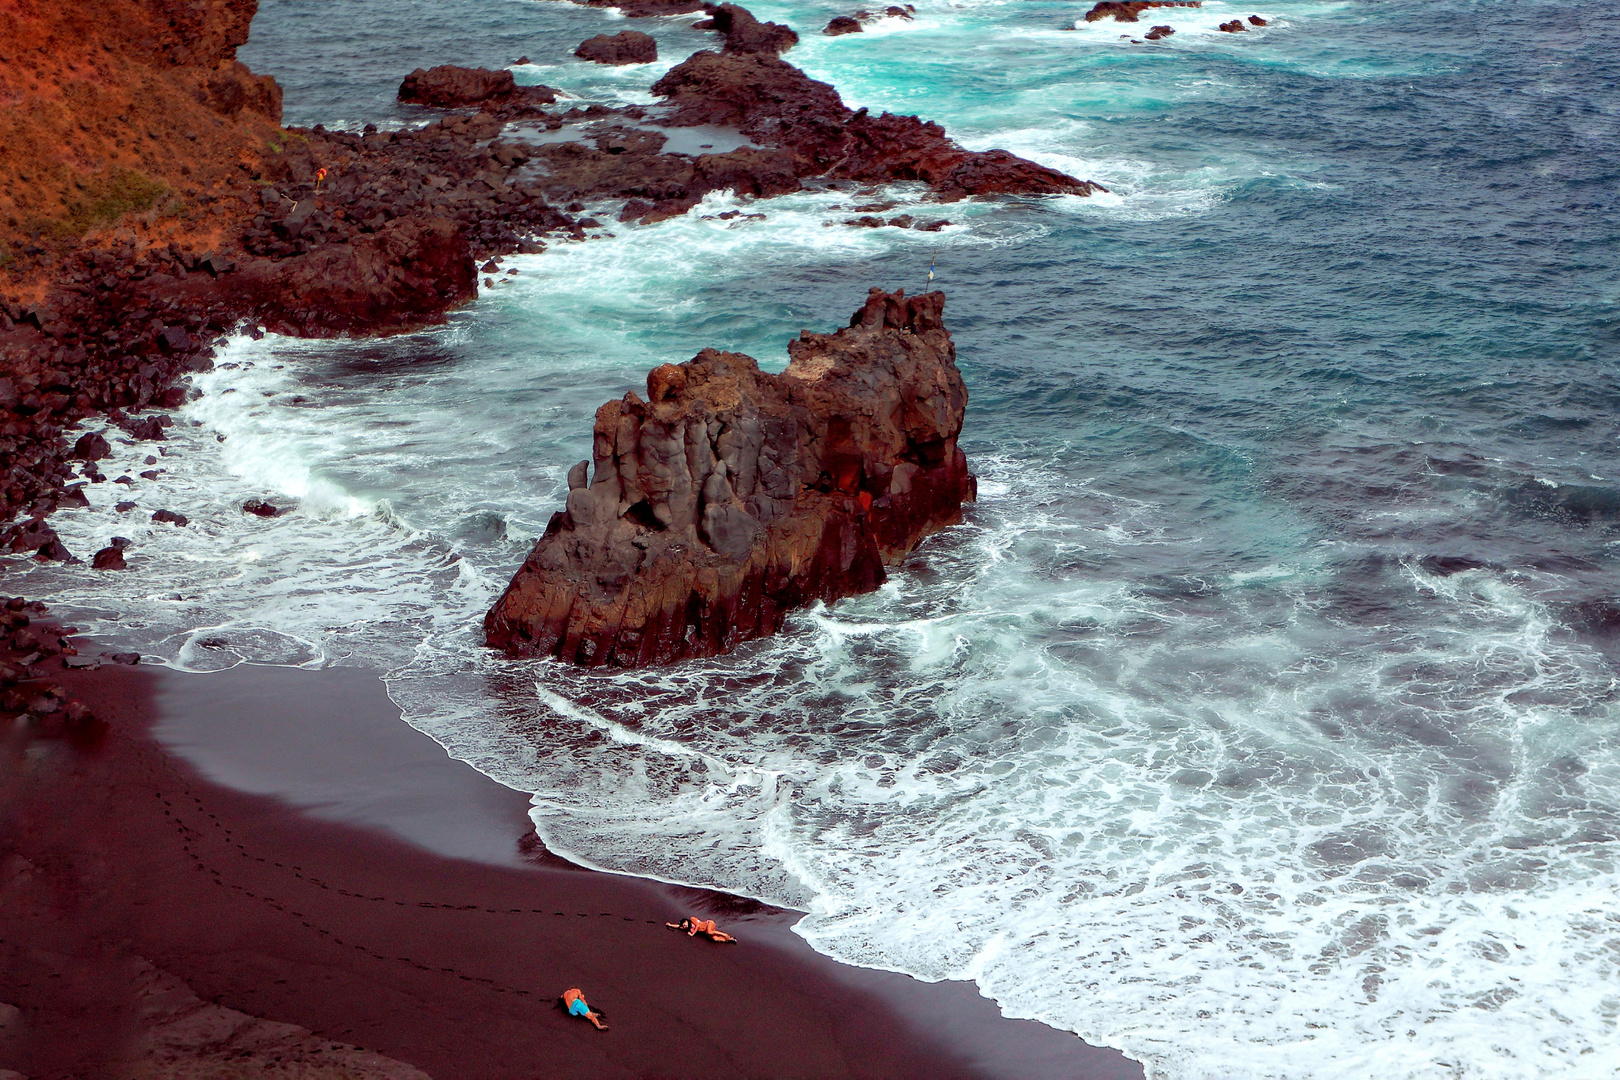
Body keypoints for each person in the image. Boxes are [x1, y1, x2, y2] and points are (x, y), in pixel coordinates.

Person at [666, 916, 738, 943]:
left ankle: (725, 935)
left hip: (708, 923)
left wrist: (692, 934)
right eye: (684, 926)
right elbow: (678, 926)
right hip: (706, 931)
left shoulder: (692, 919)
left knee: (710, 932)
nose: (684, 926)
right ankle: (730, 939)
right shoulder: (689, 928)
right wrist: (670, 925)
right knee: (715, 939)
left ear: (685, 921)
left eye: (684, 924)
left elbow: (697, 926)